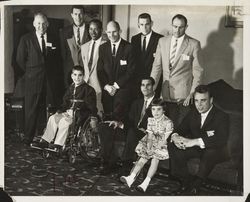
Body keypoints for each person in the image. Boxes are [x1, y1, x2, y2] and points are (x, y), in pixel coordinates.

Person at [168, 84, 229, 195]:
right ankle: (185, 182)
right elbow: (180, 129)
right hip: (198, 149)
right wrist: (175, 137)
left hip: (217, 151)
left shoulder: (222, 116)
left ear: (211, 100)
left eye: (203, 101)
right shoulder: (193, 113)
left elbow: (221, 139)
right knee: (172, 145)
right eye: (196, 101)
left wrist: (194, 141)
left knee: (211, 151)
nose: (199, 105)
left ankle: (196, 186)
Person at [16, 12, 64, 145]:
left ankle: (49, 138)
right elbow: (19, 60)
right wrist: (30, 73)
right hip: (32, 80)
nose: (41, 26)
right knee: (31, 109)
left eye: (43, 23)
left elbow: (58, 60)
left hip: (50, 81)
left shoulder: (54, 38)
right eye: (38, 23)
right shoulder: (26, 39)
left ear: (47, 24)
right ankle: (28, 137)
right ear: (34, 24)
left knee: (51, 109)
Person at [150, 14, 204, 127]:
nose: (177, 30)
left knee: (178, 129)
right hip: (165, 95)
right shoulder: (162, 41)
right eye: (175, 26)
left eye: (181, 27)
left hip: (183, 97)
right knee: (164, 128)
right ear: (171, 25)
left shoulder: (194, 44)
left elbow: (197, 72)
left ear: (186, 27)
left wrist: (192, 93)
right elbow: (157, 67)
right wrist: (151, 88)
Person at [31, 65, 97, 149]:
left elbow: (91, 107)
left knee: (64, 121)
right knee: (52, 118)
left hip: (79, 115)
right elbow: (65, 103)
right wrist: (60, 111)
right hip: (68, 113)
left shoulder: (89, 89)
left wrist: (76, 112)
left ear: (83, 76)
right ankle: (45, 141)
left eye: (80, 75)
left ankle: (58, 144)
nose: (77, 78)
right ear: (71, 76)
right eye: (75, 75)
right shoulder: (70, 88)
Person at [120, 99, 173, 192]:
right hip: (151, 141)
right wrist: (148, 147)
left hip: (162, 144)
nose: (155, 112)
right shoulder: (150, 120)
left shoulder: (168, 122)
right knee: (143, 157)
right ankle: (131, 178)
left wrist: (154, 149)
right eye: (153, 109)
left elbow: (164, 139)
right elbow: (150, 136)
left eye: (159, 109)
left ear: (164, 110)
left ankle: (145, 183)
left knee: (155, 159)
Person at [97, 20, 135, 117]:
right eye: (109, 32)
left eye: (114, 32)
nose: (112, 35)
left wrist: (116, 86)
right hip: (107, 93)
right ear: (106, 32)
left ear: (120, 31)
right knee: (107, 121)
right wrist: (106, 86)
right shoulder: (102, 48)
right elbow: (100, 71)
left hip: (123, 93)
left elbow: (131, 72)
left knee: (119, 122)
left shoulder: (129, 48)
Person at [121, 77, 157, 174]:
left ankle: (126, 167)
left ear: (153, 86)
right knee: (108, 127)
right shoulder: (137, 102)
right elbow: (130, 120)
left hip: (148, 134)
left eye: (148, 85)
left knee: (132, 132)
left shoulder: (158, 104)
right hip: (135, 131)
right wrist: (120, 124)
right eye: (143, 85)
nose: (145, 87)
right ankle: (107, 163)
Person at [131, 13, 163, 98]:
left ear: (151, 23)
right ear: (138, 25)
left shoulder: (160, 39)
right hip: (138, 81)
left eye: (147, 24)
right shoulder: (134, 39)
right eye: (141, 24)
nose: (144, 27)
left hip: (153, 81)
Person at [81, 19, 107, 115]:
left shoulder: (106, 45)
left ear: (101, 30)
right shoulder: (84, 47)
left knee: (99, 112)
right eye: (91, 29)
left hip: (100, 85)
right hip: (86, 84)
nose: (93, 32)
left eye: (96, 29)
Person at [60, 5, 90, 87]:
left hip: (87, 72)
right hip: (70, 72)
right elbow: (63, 54)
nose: (78, 17)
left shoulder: (91, 30)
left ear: (84, 15)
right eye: (76, 14)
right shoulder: (64, 32)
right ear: (72, 15)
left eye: (80, 14)